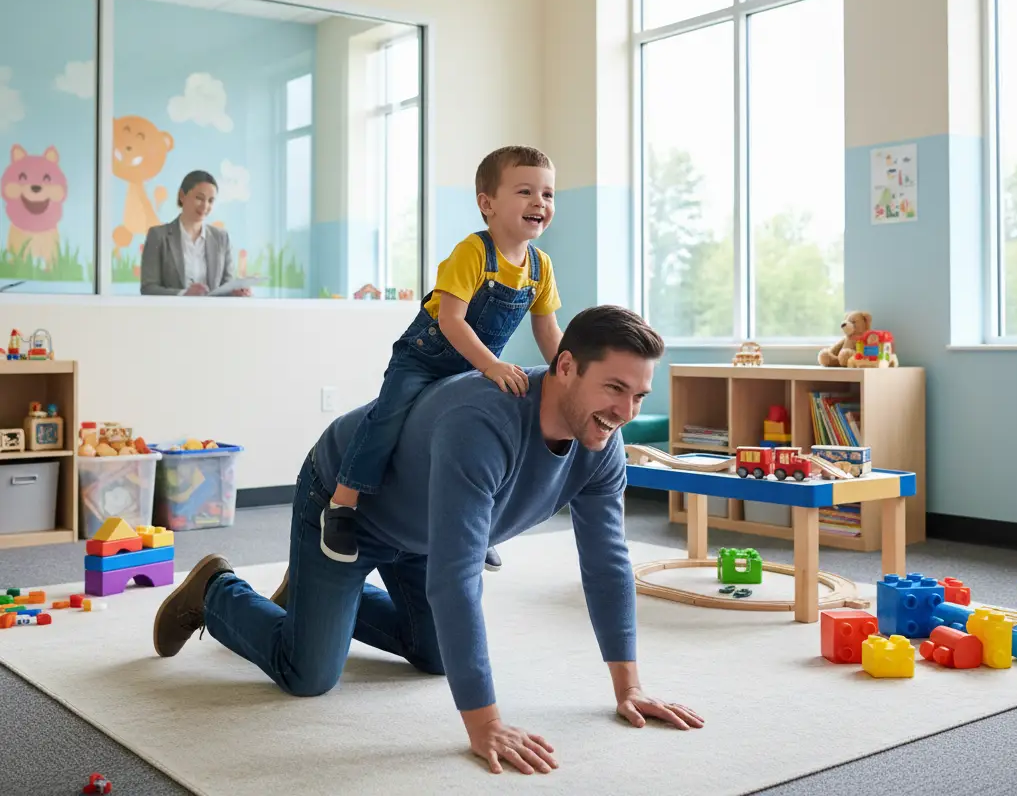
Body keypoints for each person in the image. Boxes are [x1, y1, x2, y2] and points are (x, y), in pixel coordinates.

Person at [152, 305, 706, 775]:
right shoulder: (481, 421)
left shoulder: (602, 443)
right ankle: (216, 591)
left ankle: (310, 597)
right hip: (350, 507)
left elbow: (607, 563)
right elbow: (455, 577)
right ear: (565, 366)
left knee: (438, 656)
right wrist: (484, 723)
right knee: (309, 674)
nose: (625, 413)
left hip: (423, 531)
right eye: (614, 388)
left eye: (638, 395)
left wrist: (628, 688)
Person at [322, 145, 563, 570]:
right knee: (388, 417)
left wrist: (567, 374)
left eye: (547, 194)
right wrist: (490, 365)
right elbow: (451, 321)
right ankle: (343, 504)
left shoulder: (540, 268)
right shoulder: (472, 252)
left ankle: (474, 523)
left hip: (474, 365)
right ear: (487, 204)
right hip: (425, 358)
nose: (539, 203)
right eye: (525, 191)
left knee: (488, 437)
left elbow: (547, 330)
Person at [139, 170, 251, 297]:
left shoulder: (221, 238)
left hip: (212, 315)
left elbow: (226, 285)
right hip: (172, 314)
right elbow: (148, 288)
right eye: (199, 198)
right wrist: (184, 294)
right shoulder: (158, 236)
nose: (205, 206)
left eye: (211, 201)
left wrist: (235, 292)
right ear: (182, 196)